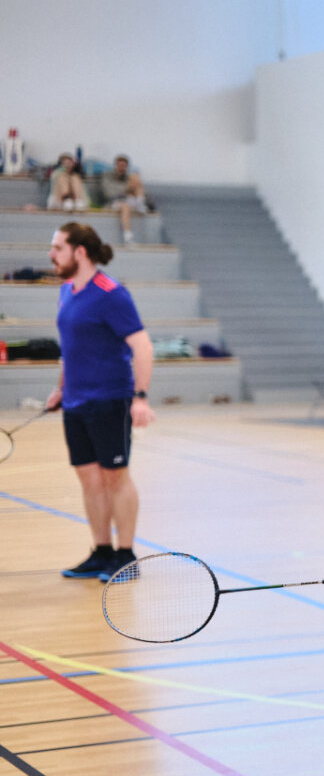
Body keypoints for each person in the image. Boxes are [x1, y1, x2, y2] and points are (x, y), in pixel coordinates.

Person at [45, 222, 154, 581]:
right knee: (90, 480)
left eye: (58, 248)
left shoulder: (111, 294)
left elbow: (142, 347)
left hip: (110, 400)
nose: (51, 254)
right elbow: (71, 348)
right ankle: (102, 551)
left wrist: (140, 397)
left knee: (115, 478)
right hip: (75, 403)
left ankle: (125, 555)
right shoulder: (66, 291)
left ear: (80, 252)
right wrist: (60, 389)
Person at [102, 157, 149, 244]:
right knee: (125, 207)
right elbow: (109, 193)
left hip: (128, 199)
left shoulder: (128, 178)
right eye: (119, 165)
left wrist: (130, 190)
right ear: (115, 166)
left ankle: (140, 204)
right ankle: (128, 236)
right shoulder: (108, 177)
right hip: (114, 202)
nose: (121, 168)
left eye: (124, 166)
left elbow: (137, 190)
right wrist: (126, 189)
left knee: (135, 178)